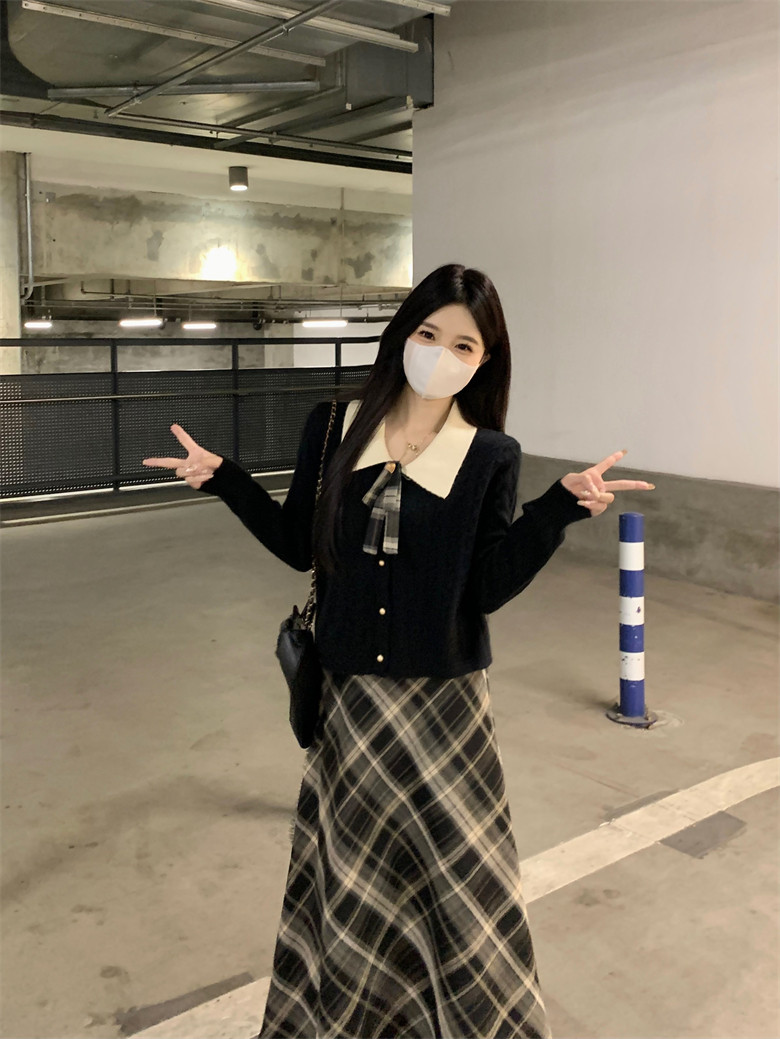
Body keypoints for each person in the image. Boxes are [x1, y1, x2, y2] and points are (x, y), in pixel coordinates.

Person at [143, 263, 655, 1039]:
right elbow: (297, 544)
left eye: (463, 344)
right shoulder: (335, 427)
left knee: (459, 885)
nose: (441, 354)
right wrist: (226, 479)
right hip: (352, 703)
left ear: (484, 361)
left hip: (447, 709)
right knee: (355, 880)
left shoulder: (489, 454)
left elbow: (484, 587)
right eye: (428, 333)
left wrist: (555, 510)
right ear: (402, 334)